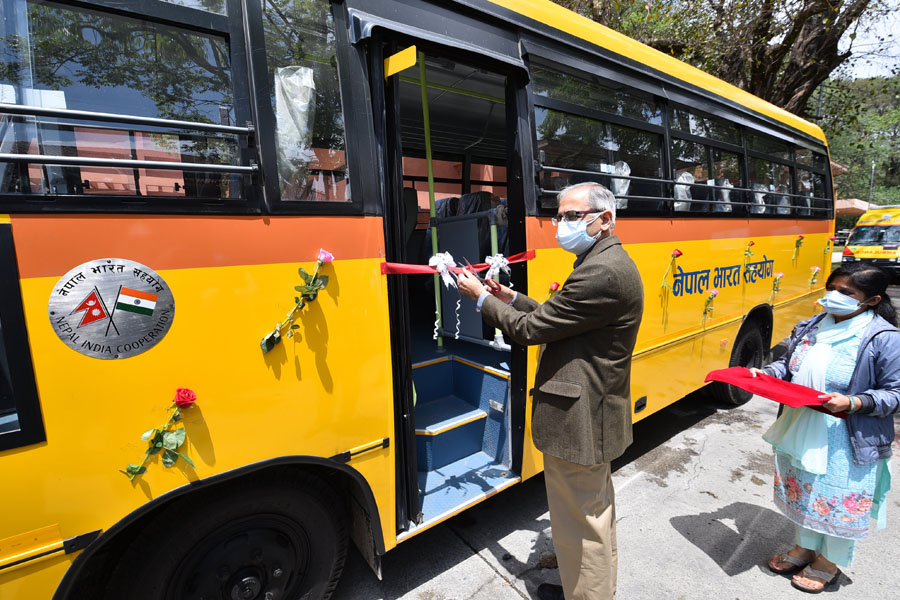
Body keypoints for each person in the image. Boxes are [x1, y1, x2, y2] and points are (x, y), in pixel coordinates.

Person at [457, 183, 644, 600]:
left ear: (605, 219)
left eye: (573, 216)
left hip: (582, 418)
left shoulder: (603, 271)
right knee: (591, 513)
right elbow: (558, 316)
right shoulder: (601, 260)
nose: (561, 224)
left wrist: (481, 299)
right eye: (560, 216)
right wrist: (510, 296)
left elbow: (531, 330)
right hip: (589, 413)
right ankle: (587, 584)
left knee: (584, 518)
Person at [749, 263, 900, 593]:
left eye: (846, 293)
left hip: (846, 437)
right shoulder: (812, 325)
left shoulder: (885, 338)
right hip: (802, 424)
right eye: (832, 288)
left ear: (872, 300)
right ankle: (804, 549)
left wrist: (854, 403)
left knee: (835, 500)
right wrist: (767, 374)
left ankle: (828, 562)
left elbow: (895, 392)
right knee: (804, 493)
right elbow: (788, 364)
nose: (833, 296)